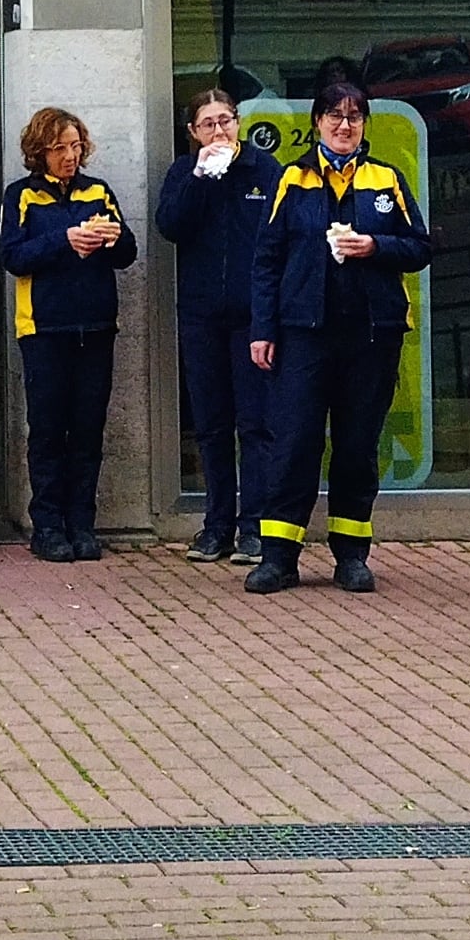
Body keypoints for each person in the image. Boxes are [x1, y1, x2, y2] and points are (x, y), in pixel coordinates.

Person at [243, 64, 428, 596]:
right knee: (294, 442)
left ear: (365, 125)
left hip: (371, 333)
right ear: (317, 123)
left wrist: (375, 247)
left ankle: (351, 555)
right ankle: (279, 555)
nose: (345, 127)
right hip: (304, 331)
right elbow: (267, 260)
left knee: (356, 446)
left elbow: (418, 248)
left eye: (354, 117)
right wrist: (263, 329)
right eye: (334, 117)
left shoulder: (386, 178)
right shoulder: (292, 178)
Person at [2, 106, 138, 559]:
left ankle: (83, 524)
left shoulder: (98, 191)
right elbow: (13, 257)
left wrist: (113, 237)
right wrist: (65, 239)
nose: (69, 156)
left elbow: (127, 255)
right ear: (39, 151)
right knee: (46, 429)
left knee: (87, 429)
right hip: (43, 328)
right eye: (59, 148)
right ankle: (47, 525)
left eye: (75, 146)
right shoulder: (20, 195)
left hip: (96, 325)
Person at [152, 86, 278, 563]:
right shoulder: (185, 172)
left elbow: (279, 240)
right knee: (210, 426)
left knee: (256, 424)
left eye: (225, 120)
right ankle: (216, 526)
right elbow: (170, 226)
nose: (219, 131)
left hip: (252, 317)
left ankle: (256, 528)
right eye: (208, 124)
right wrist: (203, 178)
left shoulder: (264, 170)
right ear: (192, 132)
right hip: (202, 314)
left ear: (239, 123)